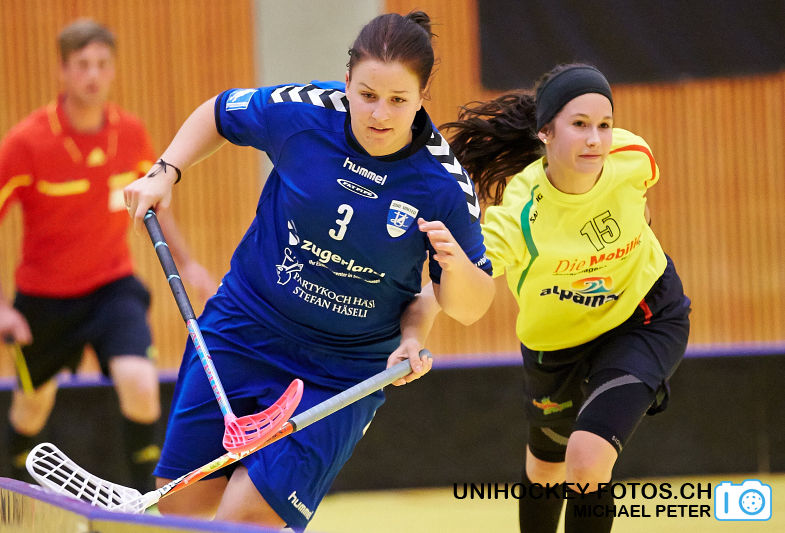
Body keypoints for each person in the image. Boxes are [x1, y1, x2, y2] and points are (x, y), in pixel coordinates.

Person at [123, 10, 494, 530]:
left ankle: (268, 477)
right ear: (347, 81)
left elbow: (471, 306)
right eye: (367, 95)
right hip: (244, 326)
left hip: (341, 371)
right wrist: (165, 171)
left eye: (398, 100)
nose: (379, 114)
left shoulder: (443, 184)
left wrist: (454, 269)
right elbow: (219, 112)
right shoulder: (302, 112)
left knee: (244, 518)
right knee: (181, 504)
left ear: (422, 96)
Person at [442, 63, 691, 533]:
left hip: (643, 316)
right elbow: (469, 277)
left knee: (587, 460)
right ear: (546, 131)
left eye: (604, 125)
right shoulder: (520, 210)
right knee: (545, 469)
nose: (596, 139)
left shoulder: (633, 154)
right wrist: (431, 296)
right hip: (555, 345)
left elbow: (641, 204)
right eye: (579, 124)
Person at [0, 19, 216, 492]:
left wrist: (189, 264)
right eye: (82, 65)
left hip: (112, 289)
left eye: (102, 64)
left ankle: (145, 506)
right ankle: (12, 499)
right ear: (63, 70)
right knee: (31, 408)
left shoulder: (130, 134)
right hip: (43, 299)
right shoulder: (26, 142)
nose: (93, 75)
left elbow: (155, 203)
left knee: (140, 385)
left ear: (113, 69)